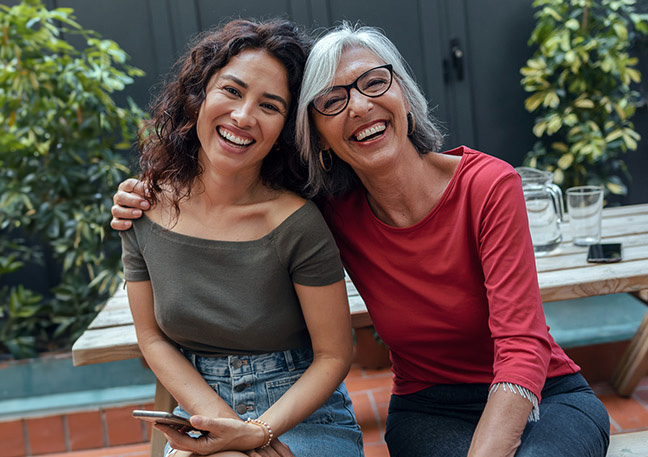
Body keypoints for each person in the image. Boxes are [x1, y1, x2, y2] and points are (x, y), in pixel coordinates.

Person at [112, 22, 611, 457]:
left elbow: (523, 344)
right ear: (315, 134)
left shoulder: (486, 185)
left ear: (405, 96)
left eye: (374, 82)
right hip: (431, 407)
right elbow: (229, 208)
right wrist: (138, 197)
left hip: (542, 392)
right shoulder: (332, 213)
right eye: (333, 100)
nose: (360, 105)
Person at [116, 18, 364, 457]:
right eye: (232, 90)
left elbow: (333, 356)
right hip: (200, 405)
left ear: (286, 129)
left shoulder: (297, 223)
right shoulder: (144, 208)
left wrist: (260, 432)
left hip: (301, 409)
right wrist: (229, 429)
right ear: (199, 96)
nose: (244, 116)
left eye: (269, 106)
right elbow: (152, 339)